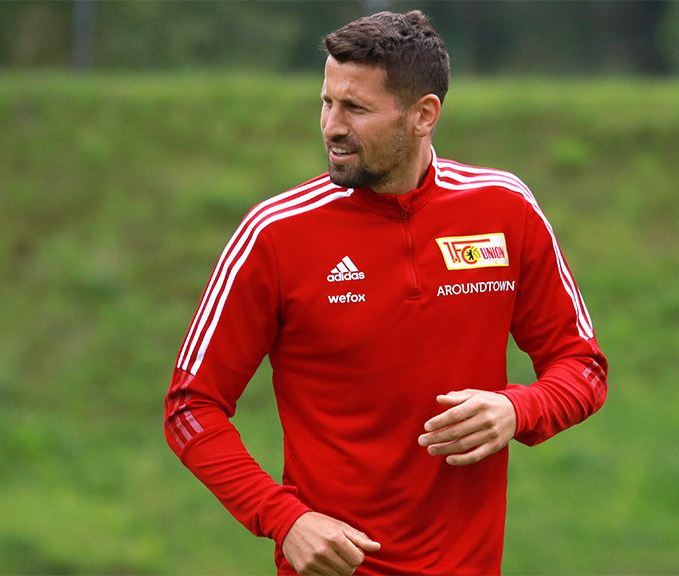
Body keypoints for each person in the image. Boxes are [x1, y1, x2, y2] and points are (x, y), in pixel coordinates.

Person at [164, 10, 608, 576]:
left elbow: (583, 366)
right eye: (327, 102)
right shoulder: (274, 234)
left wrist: (517, 409)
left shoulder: (504, 209)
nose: (331, 126)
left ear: (424, 115)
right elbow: (190, 407)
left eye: (356, 109)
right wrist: (285, 518)